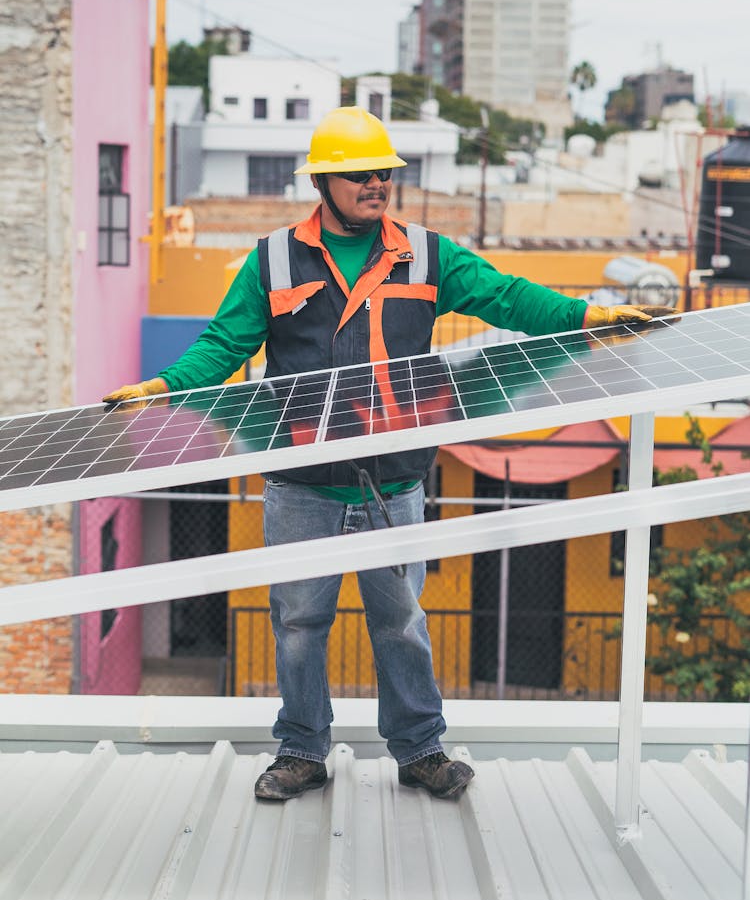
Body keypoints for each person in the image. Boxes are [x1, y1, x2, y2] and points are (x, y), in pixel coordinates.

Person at [105, 106, 666, 802]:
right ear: (324, 180)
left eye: (386, 173)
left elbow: (505, 297)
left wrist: (589, 315)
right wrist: (163, 386)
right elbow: (224, 345)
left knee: (402, 621)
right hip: (302, 482)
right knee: (300, 625)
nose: (378, 183)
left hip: (394, 481)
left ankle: (421, 748)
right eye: (362, 174)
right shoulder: (274, 259)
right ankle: (303, 748)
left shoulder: (427, 253)